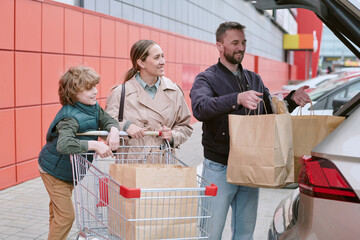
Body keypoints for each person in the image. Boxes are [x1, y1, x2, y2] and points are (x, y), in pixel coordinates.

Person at [190, 22, 311, 240]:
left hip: (250, 167)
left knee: (245, 233)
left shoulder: (253, 79)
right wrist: (236, 99)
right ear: (219, 45)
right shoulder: (206, 78)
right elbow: (200, 108)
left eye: (243, 42)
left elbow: (270, 110)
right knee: (210, 233)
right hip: (220, 167)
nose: (241, 47)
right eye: (235, 43)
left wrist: (291, 100)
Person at [38, 66, 120, 240]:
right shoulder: (69, 117)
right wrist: (95, 145)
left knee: (58, 213)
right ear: (74, 92)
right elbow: (64, 144)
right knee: (66, 217)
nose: (95, 91)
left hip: (67, 172)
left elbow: (107, 119)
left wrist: (113, 129)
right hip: (54, 172)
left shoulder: (92, 106)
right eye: (89, 88)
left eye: (95, 86)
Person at [106, 39, 192, 150]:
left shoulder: (174, 91)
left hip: (164, 162)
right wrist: (126, 126)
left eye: (162, 56)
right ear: (141, 63)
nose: (163, 62)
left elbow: (185, 126)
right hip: (131, 163)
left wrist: (172, 136)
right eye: (157, 58)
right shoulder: (120, 93)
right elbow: (105, 124)